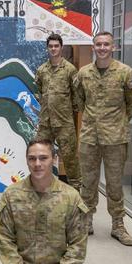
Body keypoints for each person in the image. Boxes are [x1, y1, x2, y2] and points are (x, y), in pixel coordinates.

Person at [0, 139, 88, 264]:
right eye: (32, 159)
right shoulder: (11, 196)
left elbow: (78, 245)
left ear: (54, 159)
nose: (37, 164)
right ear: (27, 161)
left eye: (43, 158)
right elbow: (6, 243)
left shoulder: (71, 197)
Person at [74, 31, 132, 246]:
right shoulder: (83, 73)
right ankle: (86, 221)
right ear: (93, 48)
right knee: (88, 182)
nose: (102, 48)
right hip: (89, 136)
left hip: (115, 137)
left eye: (106, 44)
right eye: (98, 44)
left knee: (114, 183)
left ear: (114, 47)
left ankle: (118, 225)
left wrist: (118, 122)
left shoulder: (126, 73)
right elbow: (80, 101)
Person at [35, 33, 80, 190]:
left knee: (70, 159)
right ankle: (42, 188)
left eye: (56, 46)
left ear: (61, 47)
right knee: (40, 156)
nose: (53, 49)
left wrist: (68, 112)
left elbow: (76, 96)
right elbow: (40, 90)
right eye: (51, 46)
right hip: (46, 122)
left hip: (64, 122)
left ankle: (76, 192)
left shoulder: (70, 70)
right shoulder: (42, 70)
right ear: (47, 48)